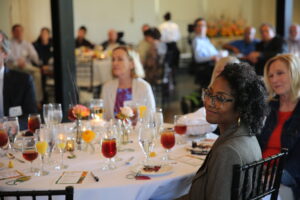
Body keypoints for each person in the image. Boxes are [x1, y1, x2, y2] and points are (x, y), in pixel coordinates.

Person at [186, 62, 268, 200]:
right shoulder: (246, 135)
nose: (209, 102)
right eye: (209, 93)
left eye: (220, 98)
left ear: (241, 105)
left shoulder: (228, 151)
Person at [258, 54, 300, 199]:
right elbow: (255, 142)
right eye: (270, 76)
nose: (274, 80)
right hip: (259, 172)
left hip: (287, 181)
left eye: (280, 73)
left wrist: (274, 178)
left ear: (295, 72)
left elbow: (297, 163)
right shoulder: (269, 106)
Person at [101, 46, 155, 120]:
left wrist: (137, 115)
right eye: (113, 59)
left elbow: (151, 117)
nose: (115, 63)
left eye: (120, 59)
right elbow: (103, 118)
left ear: (132, 64)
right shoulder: (107, 87)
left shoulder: (143, 87)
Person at [0, 31, 38, 130]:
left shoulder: (23, 81)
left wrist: (7, 127)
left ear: (5, 53)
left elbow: (31, 117)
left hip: (13, 139)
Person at [7, 24, 43, 104]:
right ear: (13, 32)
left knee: (37, 74)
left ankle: (37, 101)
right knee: (36, 71)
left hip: (26, 66)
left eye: (21, 31)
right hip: (13, 66)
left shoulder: (27, 44)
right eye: (17, 31)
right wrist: (18, 60)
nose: (19, 33)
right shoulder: (8, 43)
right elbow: (7, 56)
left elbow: (35, 56)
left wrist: (39, 63)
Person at [192, 18, 225, 88]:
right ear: (195, 28)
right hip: (206, 67)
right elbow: (198, 58)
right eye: (199, 26)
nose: (201, 28)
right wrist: (213, 57)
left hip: (212, 63)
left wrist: (220, 54)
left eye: (203, 25)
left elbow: (213, 52)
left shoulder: (206, 39)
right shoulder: (197, 41)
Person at [159, 12, 181, 85]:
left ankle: (168, 80)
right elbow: (178, 36)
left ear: (164, 18)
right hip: (174, 46)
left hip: (167, 47)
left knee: (167, 64)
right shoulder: (175, 25)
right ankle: (173, 79)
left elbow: (161, 37)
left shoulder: (162, 26)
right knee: (174, 64)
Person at [33, 27, 53, 103]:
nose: (44, 35)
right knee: (41, 75)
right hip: (41, 67)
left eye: (46, 33)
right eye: (42, 33)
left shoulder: (53, 44)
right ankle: (43, 100)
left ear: (49, 35)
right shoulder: (35, 45)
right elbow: (34, 59)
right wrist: (42, 67)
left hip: (51, 67)